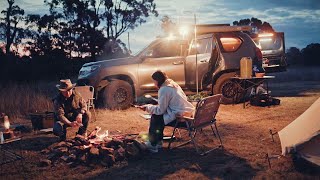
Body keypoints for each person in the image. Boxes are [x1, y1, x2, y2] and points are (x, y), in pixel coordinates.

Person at [139, 71, 195, 153]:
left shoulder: (164, 89)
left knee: (156, 116)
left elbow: (160, 110)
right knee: (158, 116)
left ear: (157, 80)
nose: (154, 83)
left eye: (154, 81)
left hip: (182, 118)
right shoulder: (173, 84)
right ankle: (157, 142)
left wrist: (147, 107)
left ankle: (153, 144)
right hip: (188, 113)